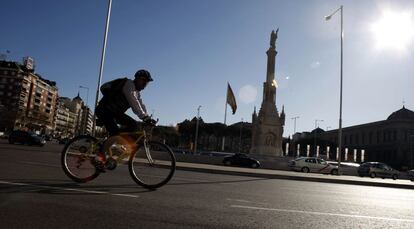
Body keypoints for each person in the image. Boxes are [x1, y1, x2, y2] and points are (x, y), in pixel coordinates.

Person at [95, 69, 156, 136]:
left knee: (133, 125)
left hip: (114, 113)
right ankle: (111, 139)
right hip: (104, 110)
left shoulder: (137, 93)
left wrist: (147, 117)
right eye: (143, 81)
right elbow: (134, 103)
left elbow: (141, 105)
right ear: (137, 79)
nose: (145, 84)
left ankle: (115, 138)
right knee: (116, 133)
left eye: (147, 83)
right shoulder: (129, 84)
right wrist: (144, 117)